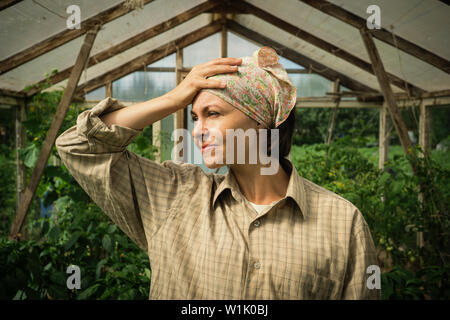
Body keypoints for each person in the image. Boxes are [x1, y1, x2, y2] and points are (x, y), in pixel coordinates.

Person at [55, 46, 381, 300]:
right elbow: (78, 145)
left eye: (212, 114)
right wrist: (172, 98)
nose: (198, 131)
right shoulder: (174, 195)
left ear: (261, 120)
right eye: (194, 117)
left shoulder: (342, 223)